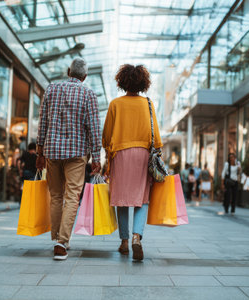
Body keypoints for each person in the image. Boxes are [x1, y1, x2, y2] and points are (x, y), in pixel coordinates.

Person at [36, 58, 101, 260]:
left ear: (67, 71)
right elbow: (94, 128)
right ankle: (62, 242)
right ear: (85, 77)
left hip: (53, 152)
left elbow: (43, 122)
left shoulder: (51, 89)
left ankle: (58, 238)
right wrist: (97, 157)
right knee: (72, 196)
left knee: (56, 196)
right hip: (77, 153)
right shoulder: (89, 94)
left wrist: (39, 153)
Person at [102, 64, 163, 261]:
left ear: (122, 81)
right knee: (142, 198)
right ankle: (137, 236)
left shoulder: (115, 104)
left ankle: (124, 242)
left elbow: (107, 135)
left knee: (121, 199)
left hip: (120, 154)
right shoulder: (148, 104)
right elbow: (157, 138)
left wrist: (106, 157)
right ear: (143, 83)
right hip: (142, 155)